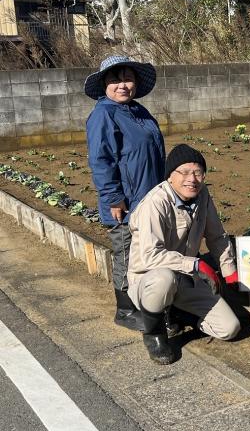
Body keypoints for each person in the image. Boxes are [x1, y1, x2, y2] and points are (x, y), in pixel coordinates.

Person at [127, 144, 241, 364]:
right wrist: (196, 264)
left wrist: (230, 271)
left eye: (198, 172)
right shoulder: (156, 203)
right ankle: (155, 334)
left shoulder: (202, 196)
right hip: (148, 280)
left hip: (185, 277)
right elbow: (151, 256)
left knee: (230, 328)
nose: (192, 179)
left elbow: (216, 236)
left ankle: (178, 311)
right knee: (164, 278)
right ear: (171, 176)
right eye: (185, 172)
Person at [85, 56, 165, 331]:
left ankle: (151, 303)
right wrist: (113, 198)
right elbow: (101, 160)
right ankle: (125, 309)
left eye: (127, 78)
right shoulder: (103, 114)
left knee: (150, 252)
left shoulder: (138, 111)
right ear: (105, 85)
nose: (122, 85)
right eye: (115, 80)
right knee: (127, 254)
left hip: (149, 198)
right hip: (125, 202)